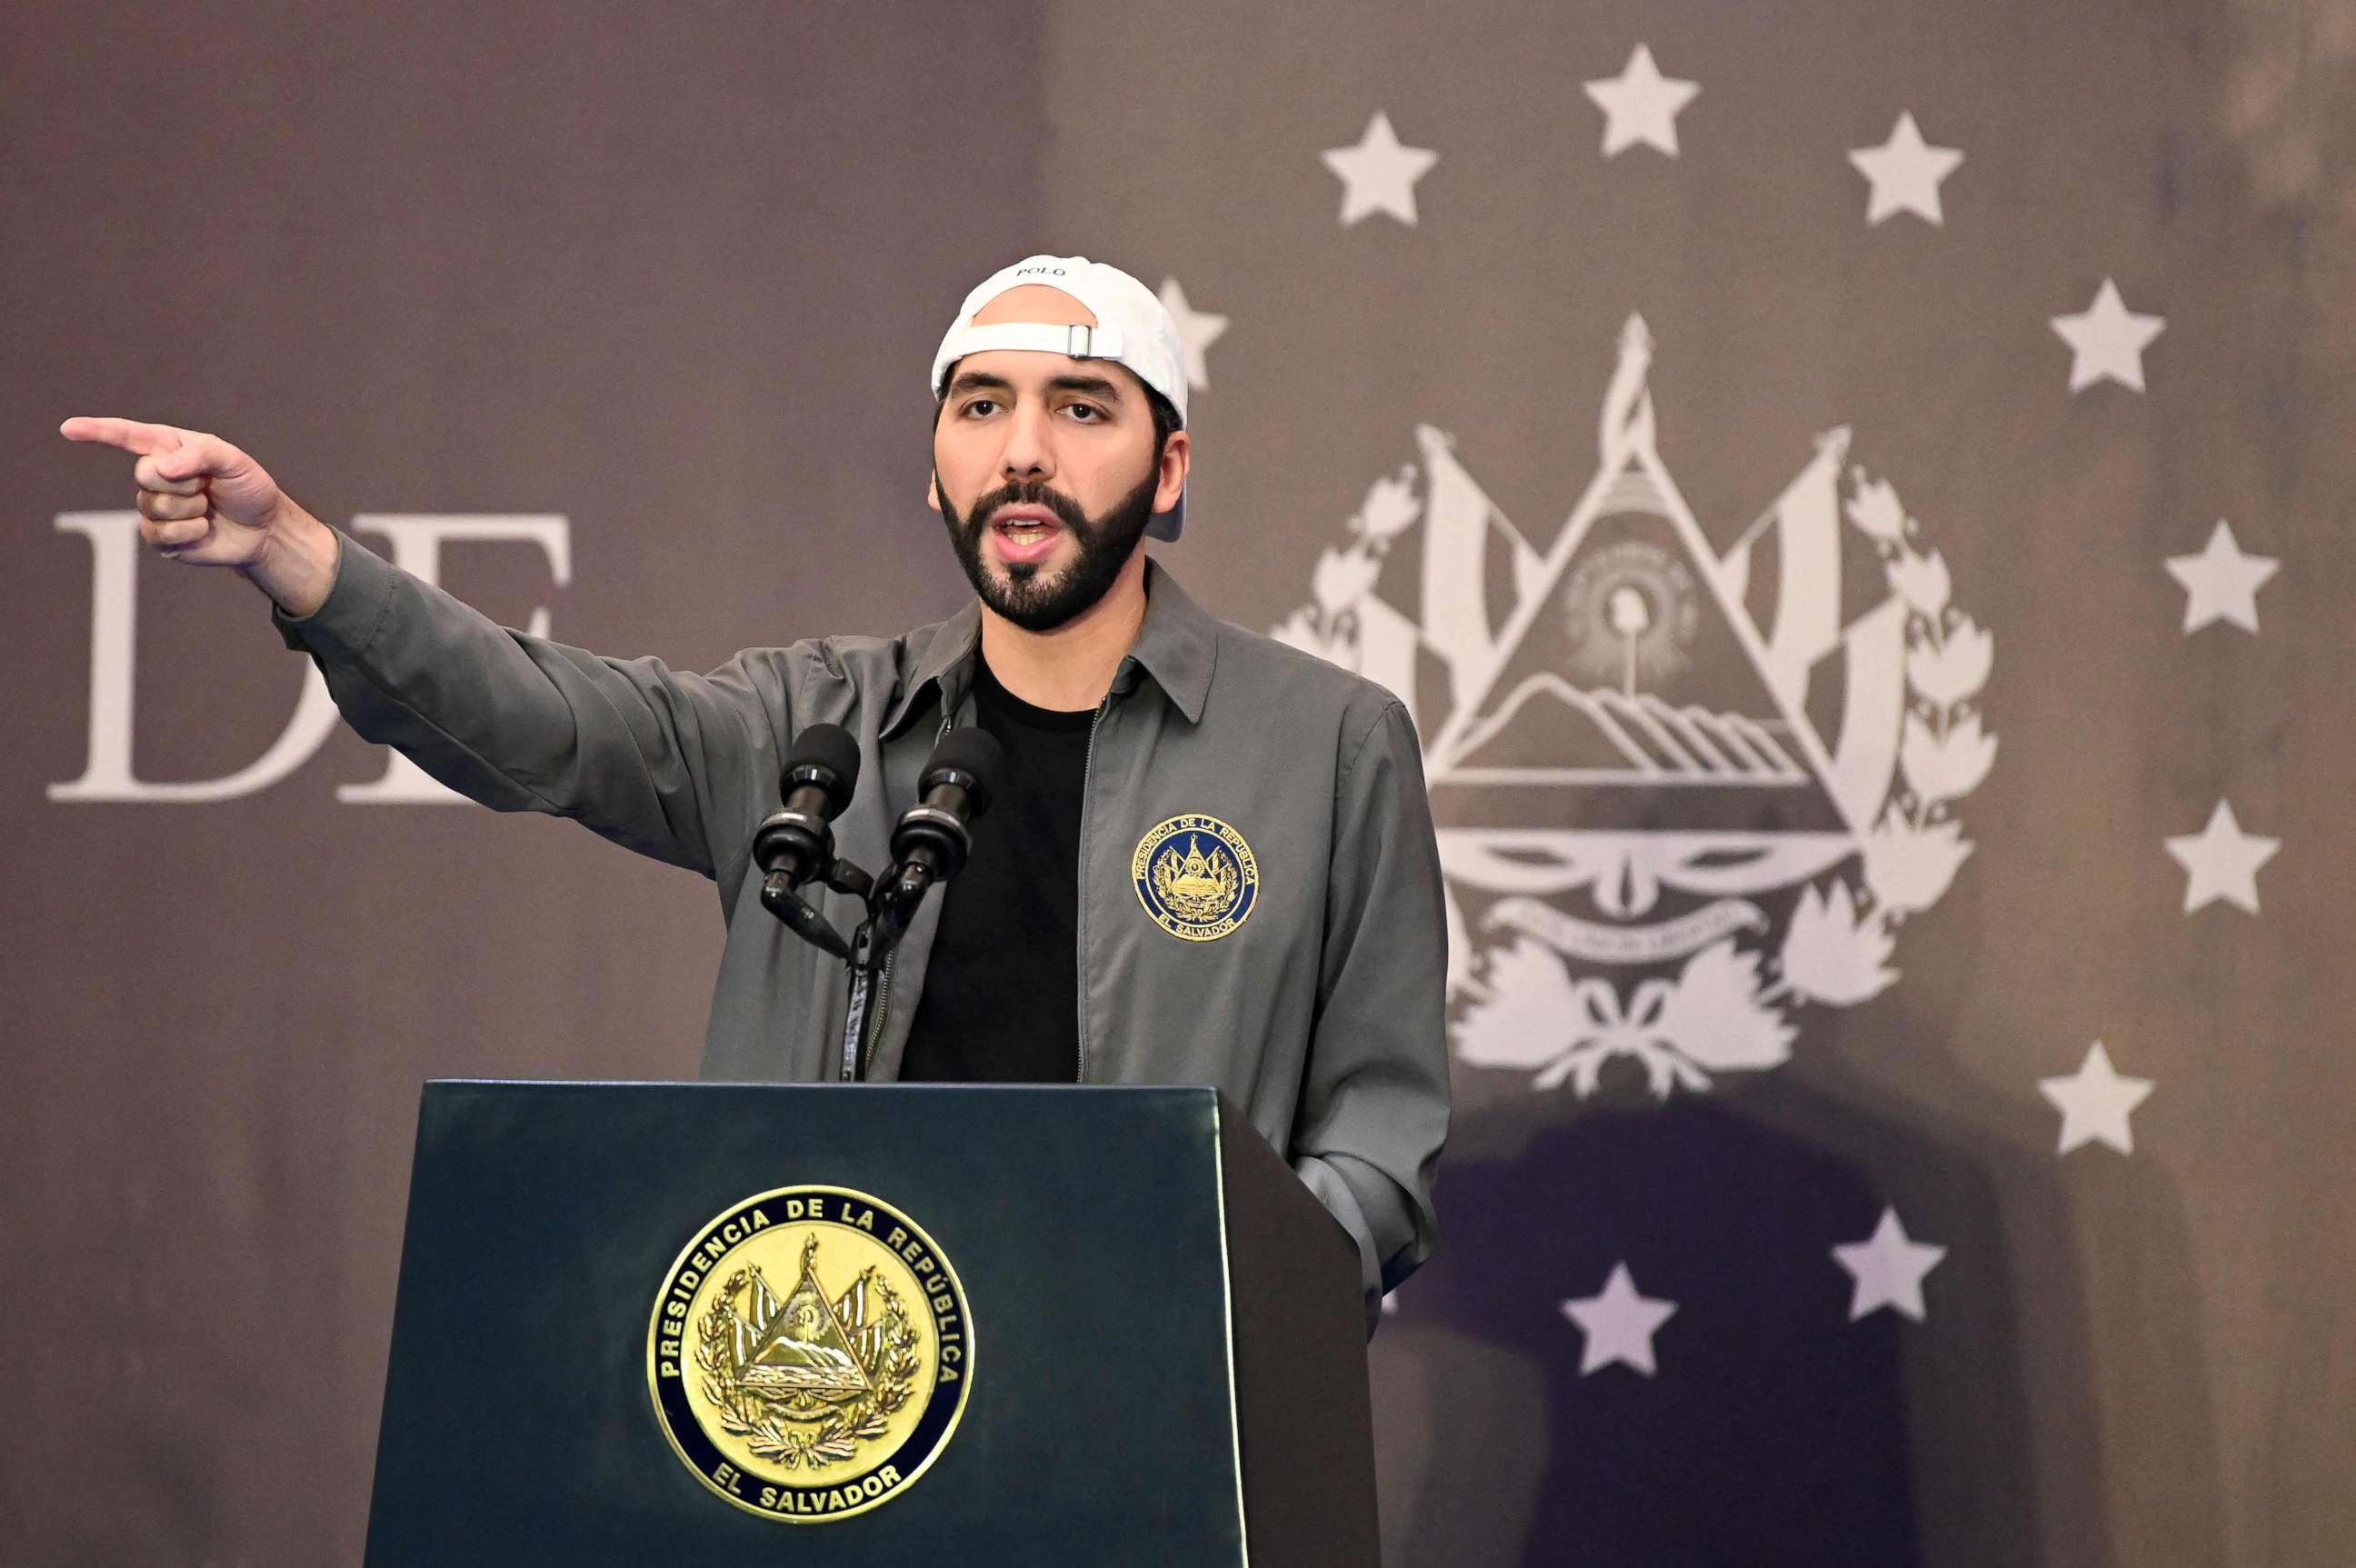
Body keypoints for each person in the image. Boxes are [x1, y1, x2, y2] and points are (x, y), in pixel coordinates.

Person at [59, 254, 1451, 1326]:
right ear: (936, 472)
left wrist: (1234, 1306)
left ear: (1169, 469)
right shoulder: (813, 725)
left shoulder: (1327, 743)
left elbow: (1382, 1130)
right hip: (830, 1411)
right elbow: (547, 721)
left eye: (1079, 407)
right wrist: (298, 556)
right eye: (982, 406)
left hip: (1154, 1417)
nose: (1023, 447)